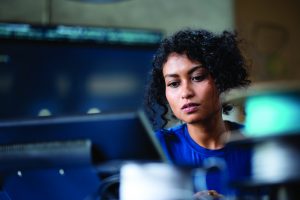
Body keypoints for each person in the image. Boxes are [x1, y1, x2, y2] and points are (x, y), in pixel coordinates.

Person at [145, 29, 252, 198]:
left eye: (198, 77)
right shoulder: (157, 147)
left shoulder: (256, 144)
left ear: (221, 80)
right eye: (174, 83)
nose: (185, 92)